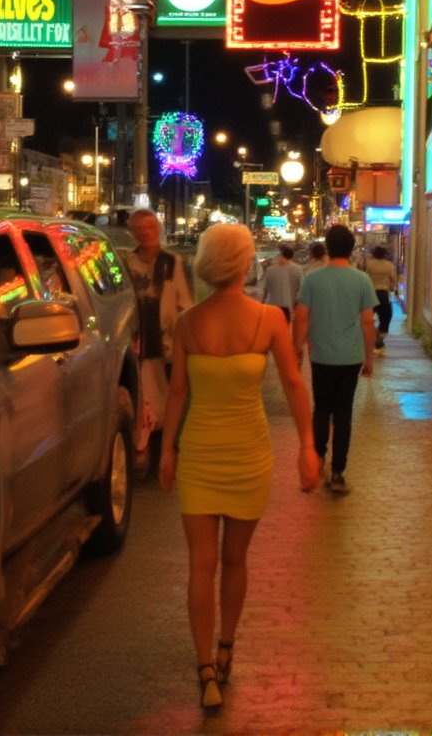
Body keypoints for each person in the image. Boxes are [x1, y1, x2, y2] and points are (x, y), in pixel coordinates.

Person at [158, 224, 321, 711]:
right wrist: (307, 445)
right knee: (232, 561)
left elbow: (178, 394)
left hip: (201, 452)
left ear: (207, 263)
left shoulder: (189, 323)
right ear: (246, 261)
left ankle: (206, 662)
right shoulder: (269, 319)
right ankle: (224, 648)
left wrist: (168, 449)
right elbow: (294, 384)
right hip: (249, 453)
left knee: (202, 564)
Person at [293, 225, 378, 495]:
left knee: (321, 408)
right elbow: (367, 322)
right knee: (343, 415)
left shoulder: (313, 279)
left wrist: (296, 349)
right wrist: (368, 358)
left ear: (328, 248)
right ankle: (338, 474)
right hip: (350, 357)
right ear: (352, 249)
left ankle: (318, 458)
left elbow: (302, 317)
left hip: (321, 355)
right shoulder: (362, 280)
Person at [124, 209, 194, 466]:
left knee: (168, 397)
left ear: (158, 229)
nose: (145, 233)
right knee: (143, 399)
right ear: (133, 232)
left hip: (166, 344)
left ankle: (166, 451)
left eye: (150, 227)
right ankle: (146, 451)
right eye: (140, 229)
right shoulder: (128, 262)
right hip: (137, 343)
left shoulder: (171, 262)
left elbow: (183, 303)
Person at [364, 246, 398, 355]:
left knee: (367, 318)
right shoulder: (389, 265)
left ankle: (374, 335)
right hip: (383, 294)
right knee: (386, 317)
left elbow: (365, 276)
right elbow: (393, 279)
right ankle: (379, 336)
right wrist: (392, 287)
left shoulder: (370, 264)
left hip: (370, 293)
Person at [260, 245, 303, 322]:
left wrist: (262, 301)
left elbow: (265, 289)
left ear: (282, 256)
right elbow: (301, 289)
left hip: (271, 306)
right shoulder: (298, 270)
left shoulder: (270, 270)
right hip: (288, 307)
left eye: (279, 255)